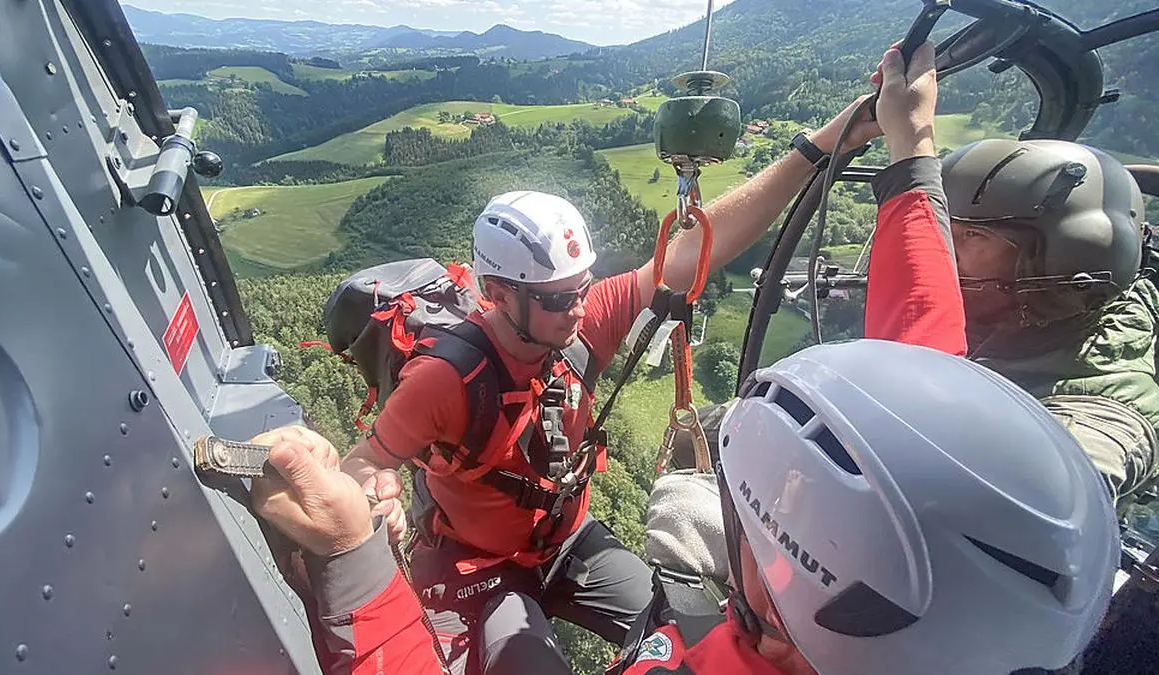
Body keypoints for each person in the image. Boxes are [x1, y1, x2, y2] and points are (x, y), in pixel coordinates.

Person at [333, 42, 930, 675]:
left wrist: (828, 141)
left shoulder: (577, 322)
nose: (578, 308)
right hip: (478, 568)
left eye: (583, 288)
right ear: (498, 293)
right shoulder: (444, 381)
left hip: (565, 542)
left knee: (691, 630)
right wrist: (377, 490)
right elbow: (363, 462)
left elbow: (694, 251)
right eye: (558, 298)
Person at [252, 336, 1119, 675]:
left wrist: (352, 559)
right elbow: (923, 450)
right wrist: (905, 160)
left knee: (516, 640)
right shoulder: (981, 627)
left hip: (544, 571)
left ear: (805, 581)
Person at [941, 136, 1159, 509]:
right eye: (943, 227)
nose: (944, 250)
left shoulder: (1096, 418)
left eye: (973, 235)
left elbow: (1045, 502)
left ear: (1067, 257)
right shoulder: (1011, 324)